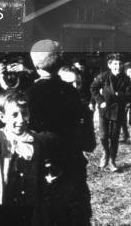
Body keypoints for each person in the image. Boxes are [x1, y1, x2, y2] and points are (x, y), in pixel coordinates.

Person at [26, 39, 91, 226]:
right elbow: (86, 138)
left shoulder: (30, 94)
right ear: (60, 63)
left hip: (42, 164)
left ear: (35, 64)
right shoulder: (72, 93)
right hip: (72, 164)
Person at [0, 91, 58, 226]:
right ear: (2, 117)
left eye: (25, 113)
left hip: (25, 209)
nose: (21, 120)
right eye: (15, 115)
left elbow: (40, 175)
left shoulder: (36, 141)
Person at [90, 53, 131, 171]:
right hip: (104, 110)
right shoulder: (103, 77)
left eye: (120, 64)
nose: (117, 66)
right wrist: (100, 100)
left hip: (118, 112)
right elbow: (93, 88)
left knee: (114, 137)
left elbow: (129, 95)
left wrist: (119, 95)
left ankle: (112, 161)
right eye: (115, 64)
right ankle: (105, 153)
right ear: (109, 65)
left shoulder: (126, 79)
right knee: (103, 136)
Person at [122, 62, 131, 143]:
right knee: (123, 119)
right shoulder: (124, 80)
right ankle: (126, 136)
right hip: (125, 102)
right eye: (129, 71)